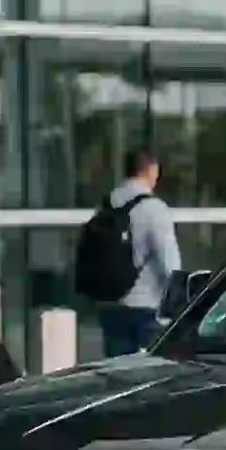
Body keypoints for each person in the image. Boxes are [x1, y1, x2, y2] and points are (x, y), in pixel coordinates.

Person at [93, 148, 181, 354]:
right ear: (152, 170)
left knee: (117, 374)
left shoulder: (107, 203)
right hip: (145, 307)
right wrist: (179, 303)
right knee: (149, 376)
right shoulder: (154, 208)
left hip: (110, 305)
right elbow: (170, 264)